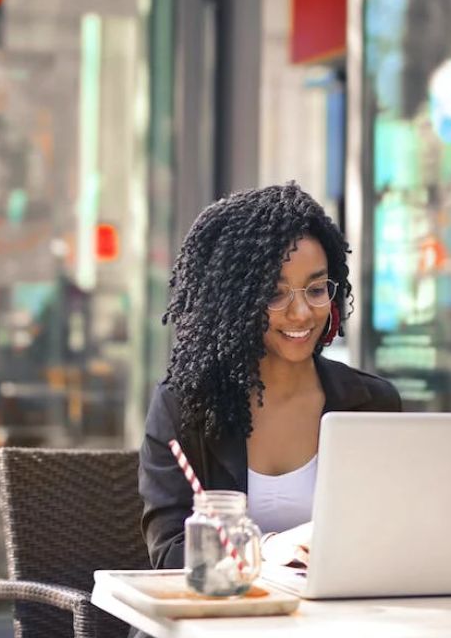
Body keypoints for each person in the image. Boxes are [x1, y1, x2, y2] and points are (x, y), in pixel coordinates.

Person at [138, 182, 402, 574]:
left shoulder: (371, 404)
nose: (301, 313)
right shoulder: (184, 406)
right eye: (275, 295)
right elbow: (171, 555)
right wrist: (270, 550)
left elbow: (395, 536)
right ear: (234, 301)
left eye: (315, 289)